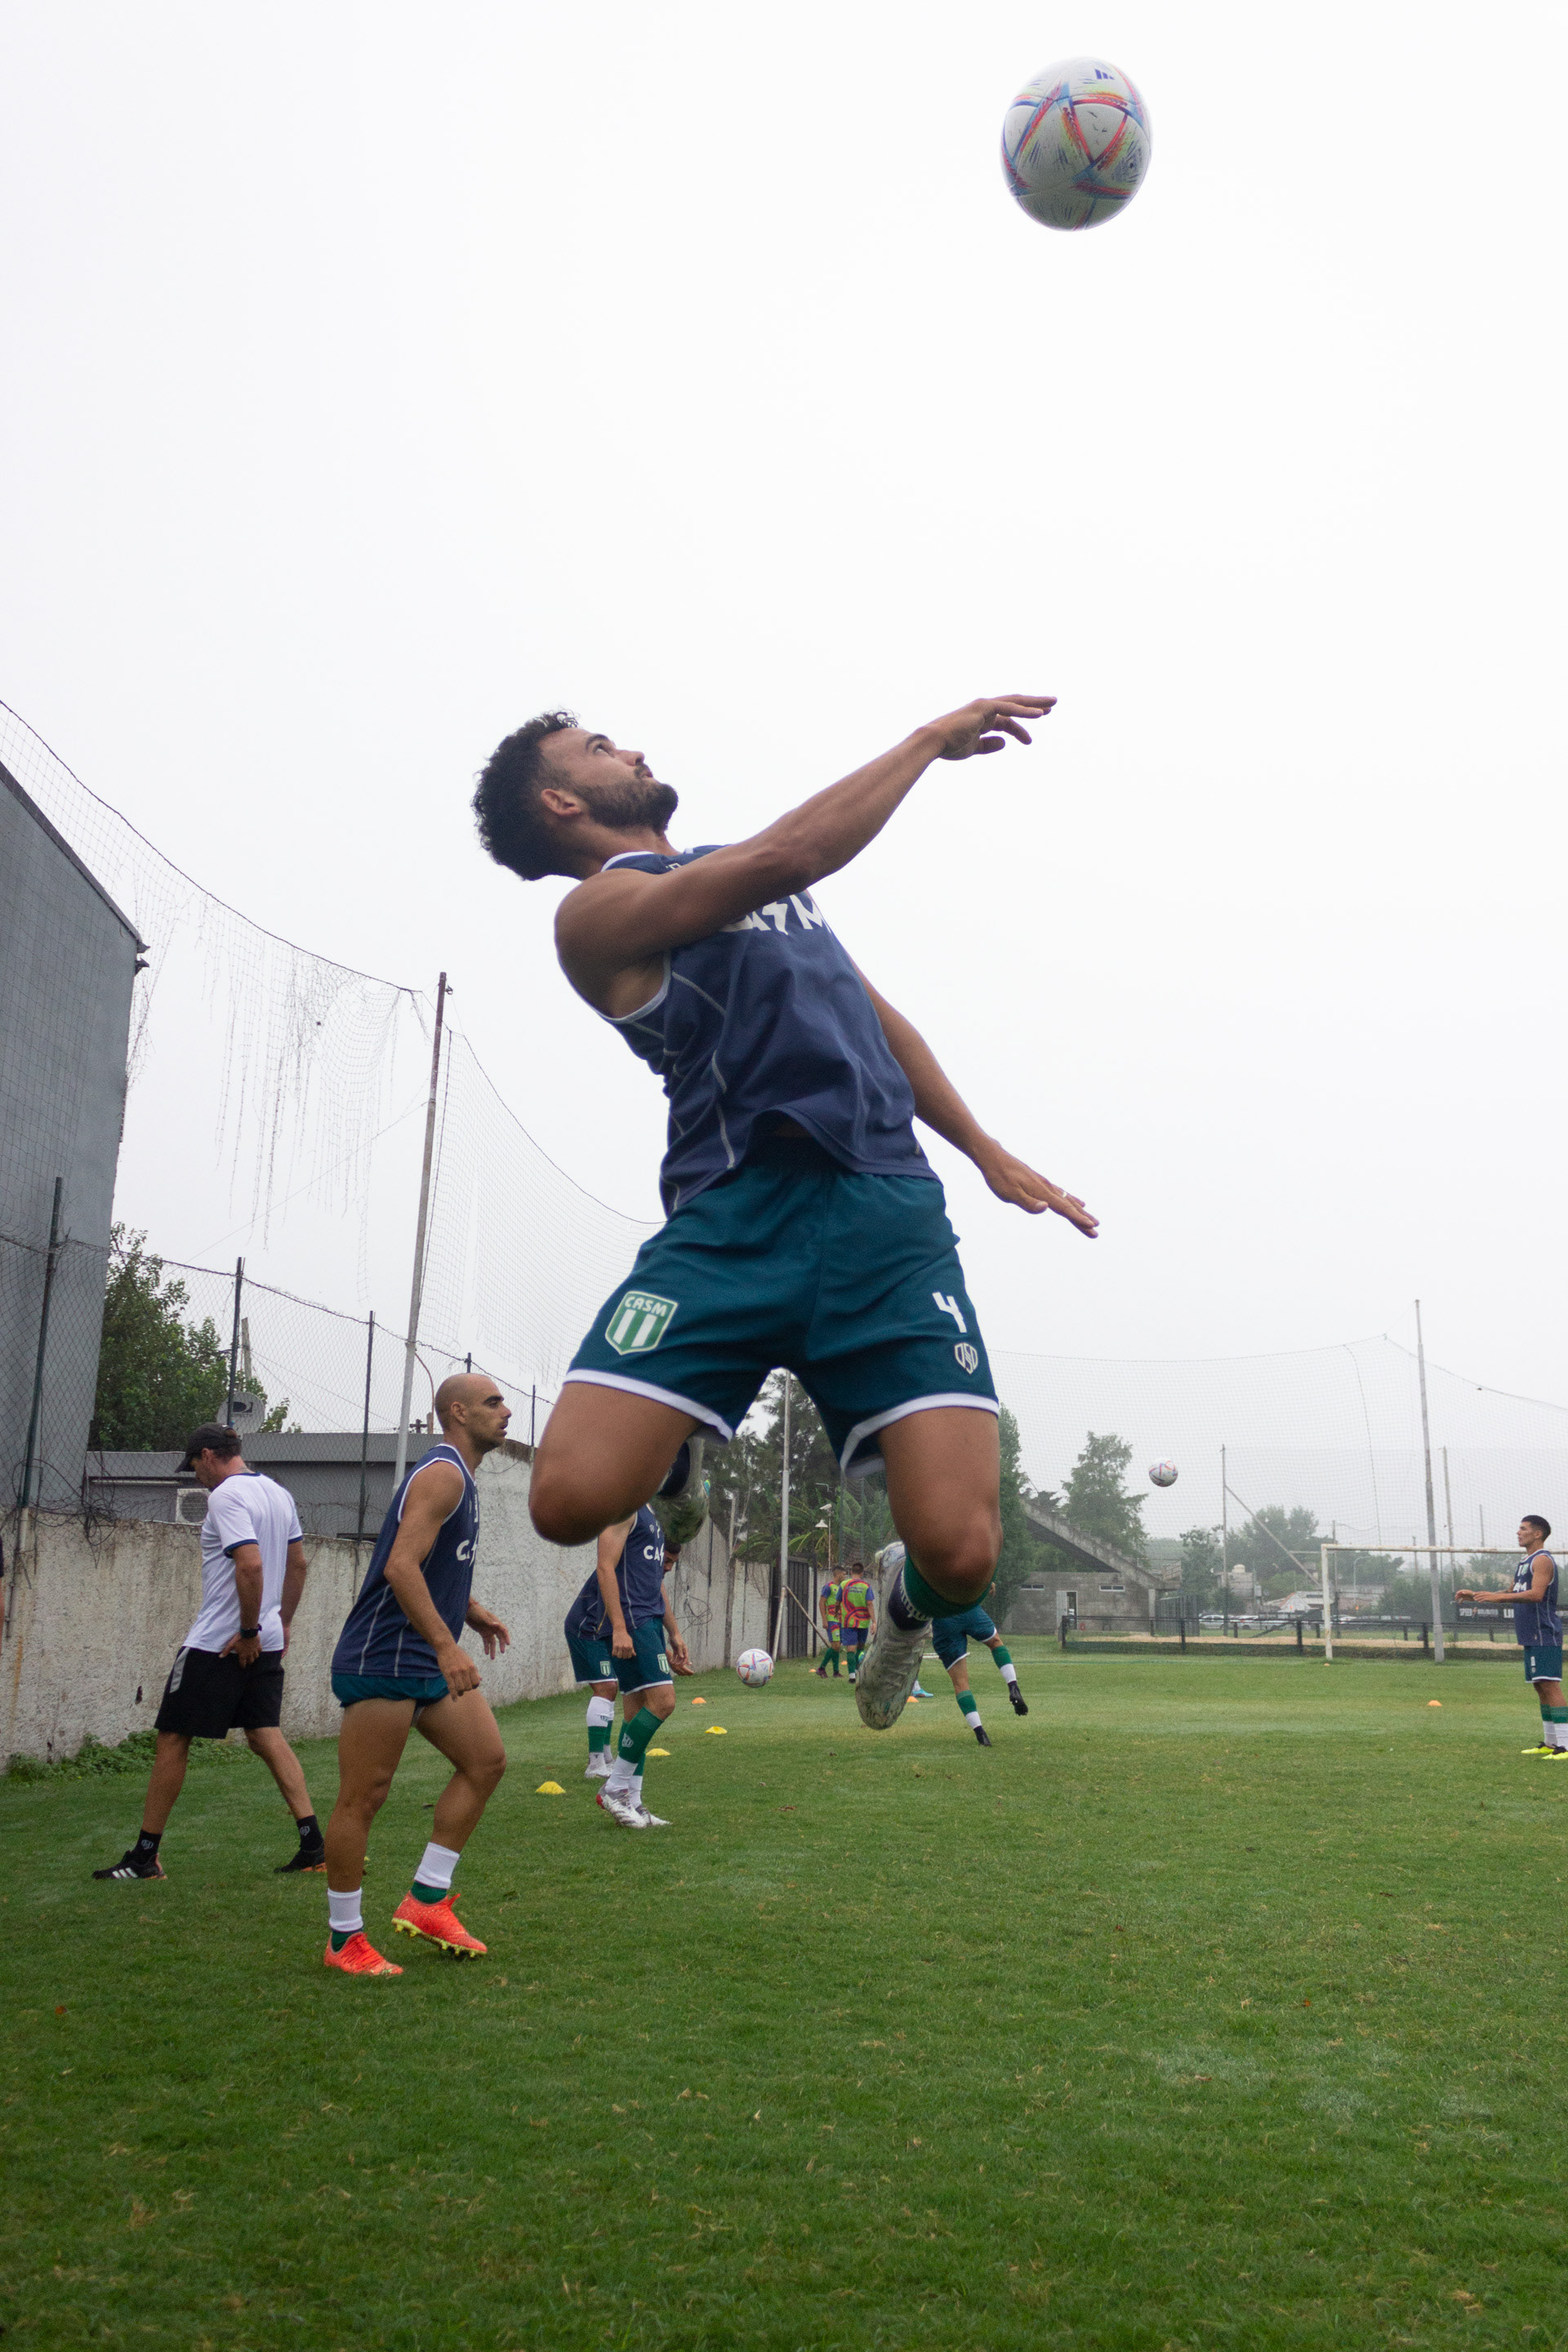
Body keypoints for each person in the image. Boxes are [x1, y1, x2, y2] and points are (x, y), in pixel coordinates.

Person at [473, 697, 1097, 1738]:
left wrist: (984, 1149)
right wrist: (927, 742)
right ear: (561, 802)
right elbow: (790, 854)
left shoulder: (758, 882)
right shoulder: (598, 912)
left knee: (961, 1557)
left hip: (885, 1218)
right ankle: (681, 1449)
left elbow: (877, 1020)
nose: (631, 747)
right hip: (735, 1218)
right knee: (565, 1502)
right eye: (599, 748)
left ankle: (903, 1608)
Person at [322, 1373, 513, 1976]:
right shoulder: (444, 1474)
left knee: (486, 1762)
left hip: (423, 1654)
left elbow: (431, 1563)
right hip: (384, 1654)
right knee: (363, 1797)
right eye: (492, 1402)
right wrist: (447, 1646)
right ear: (458, 1412)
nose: (506, 1411)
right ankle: (343, 1939)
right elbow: (401, 1567)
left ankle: (427, 1899)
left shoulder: (463, 1478)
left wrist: (470, 1611)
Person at [93, 1423, 322, 1882]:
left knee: (173, 1737)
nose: (196, 1474)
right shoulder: (278, 1493)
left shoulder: (226, 1496)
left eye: (194, 1464)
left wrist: (249, 1630)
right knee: (265, 1734)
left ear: (208, 1455)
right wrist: (282, 1622)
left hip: (220, 1641)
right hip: (264, 1637)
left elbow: (250, 1564)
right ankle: (314, 1846)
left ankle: (144, 1857)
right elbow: (298, 1564)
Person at [564, 1492, 693, 1828]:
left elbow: (655, 1583)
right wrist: (619, 1628)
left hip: (648, 1621)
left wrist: (674, 1633)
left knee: (636, 1712)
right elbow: (605, 1567)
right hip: (633, 1621)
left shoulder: (656, 1520)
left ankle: (633, 1801)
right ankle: (614, 1787)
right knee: (664, 1702)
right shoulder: (625, 1509)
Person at [1455, 1516, 1566, 1757]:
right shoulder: (1524, 1562)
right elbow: (1511, 1592)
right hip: (1530, 1634)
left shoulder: (1542, 1560)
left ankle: (1566, 1745)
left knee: (1550, 1685)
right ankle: (1551, 1743)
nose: (1518, 1532)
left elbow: (1536, 1594)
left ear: (1537, 1534)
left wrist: (1499, 1598)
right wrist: (1477, 1595)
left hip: (1543, 1632)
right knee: (1541, 1686)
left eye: (1523, 1529)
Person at [929, 1593, 1029, 1746]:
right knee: (995, 1642)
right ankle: (1013, 1686)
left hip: (943, 1619)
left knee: (960, 1683)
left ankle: (980, 1733)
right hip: (967, 1607)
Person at [837, 1560, 875, 1683]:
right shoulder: (866, 1586)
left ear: (851, 1572)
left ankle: (852, 1676)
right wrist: (874, 1621)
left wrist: (836, 1612)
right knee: (861, 1646)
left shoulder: (844, 1585)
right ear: (862, 1573)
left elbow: (838, 1601)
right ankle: (858, 1670)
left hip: (848, 1620)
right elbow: (870, 1604)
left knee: (850, 1648)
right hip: (863, 1621)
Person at [813, 1573, 844, 1677]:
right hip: (831, 1620)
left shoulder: (840, 1588)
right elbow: (821, 1602)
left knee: (837, 1646)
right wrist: (824, 1619)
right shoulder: (828, 1587)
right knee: (835, 1645)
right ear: (837, 1574)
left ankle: (836, 1672)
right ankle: (821, 1668)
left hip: (840, 1620)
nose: (845, 1576)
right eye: (844, 1574)